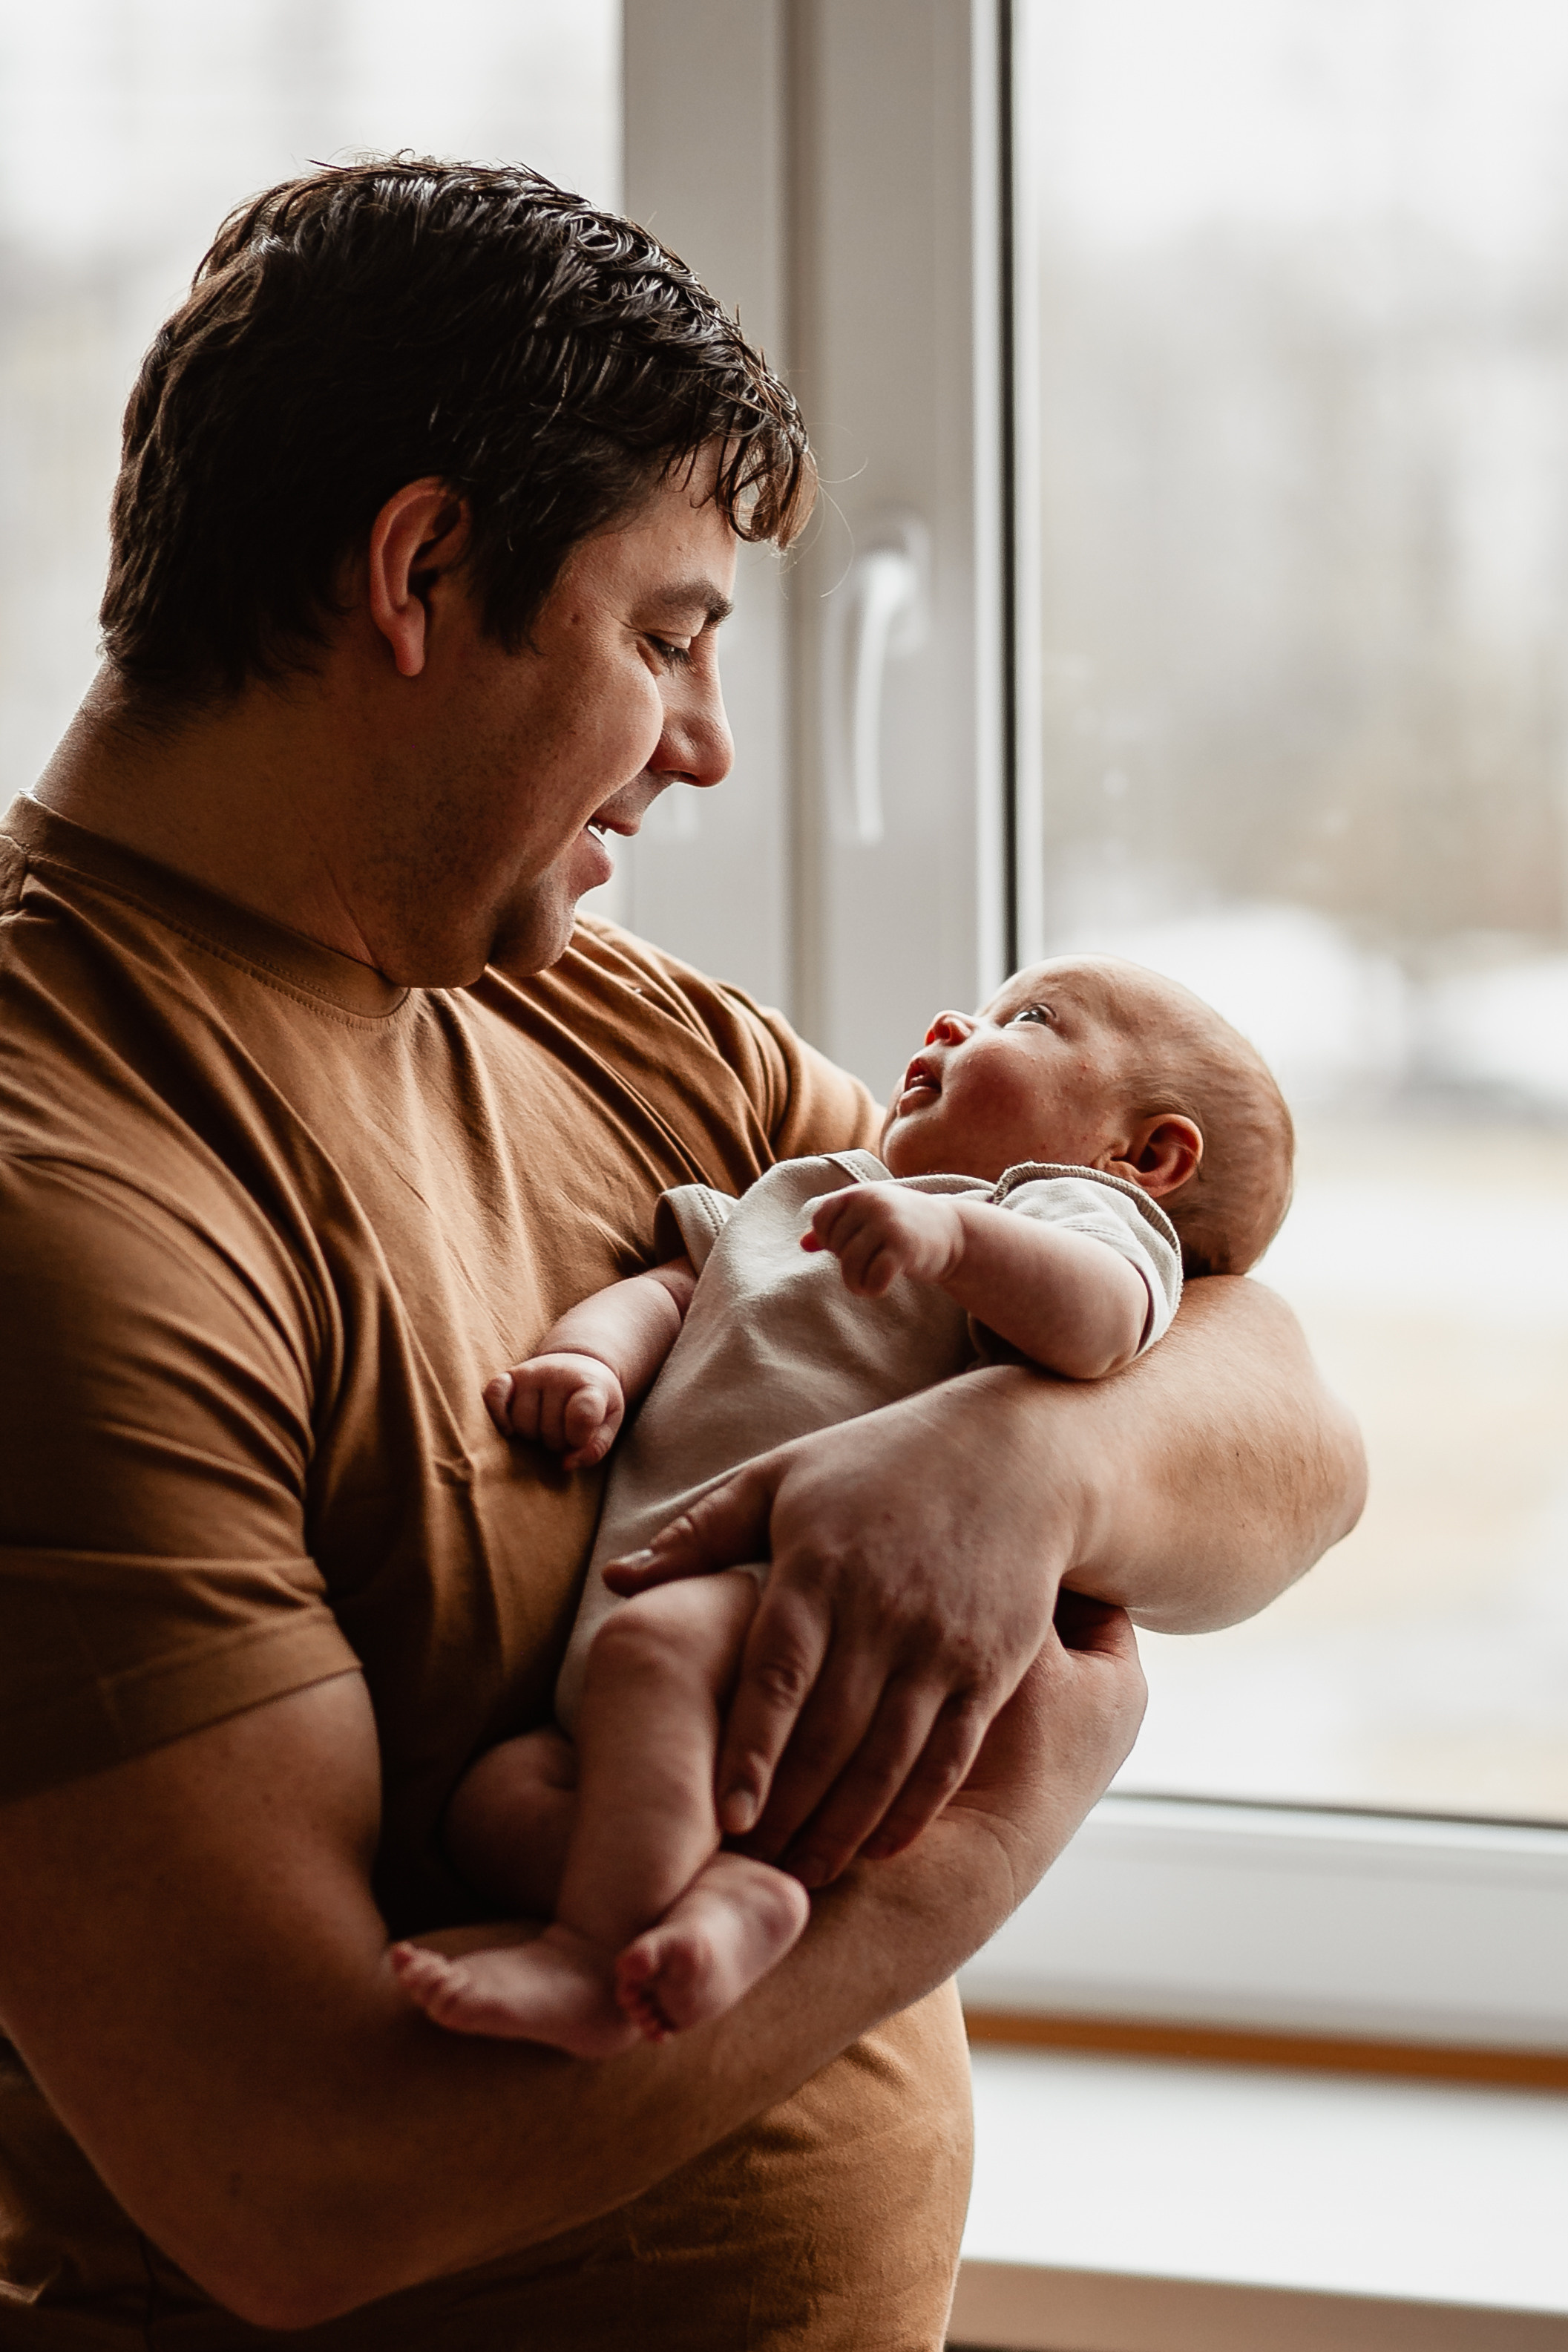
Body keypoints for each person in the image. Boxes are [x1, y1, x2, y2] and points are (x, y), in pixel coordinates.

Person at [0, 158, 1364, 2351]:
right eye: (665, 636)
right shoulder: (65, 1188)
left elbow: (1271, 1392)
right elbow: (295, 2177)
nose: (710, 747)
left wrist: (1031, 1481)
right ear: (425, 569)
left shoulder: (596, 1003)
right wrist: (994, 1830)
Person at [394, 954, 1292, 2055]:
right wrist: (592, 1364)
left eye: (1032, 1018)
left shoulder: (1056, 1216)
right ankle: (732, 1899)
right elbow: (678, 1294)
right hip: (656, 1654)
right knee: (495, 1805)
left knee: (654, 1652)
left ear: (1142, 1153)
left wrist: (957, 1240)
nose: (954, 1018)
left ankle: (591, 1961)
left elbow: (1104, 1321)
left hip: (809, 1605)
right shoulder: (806, 1192)